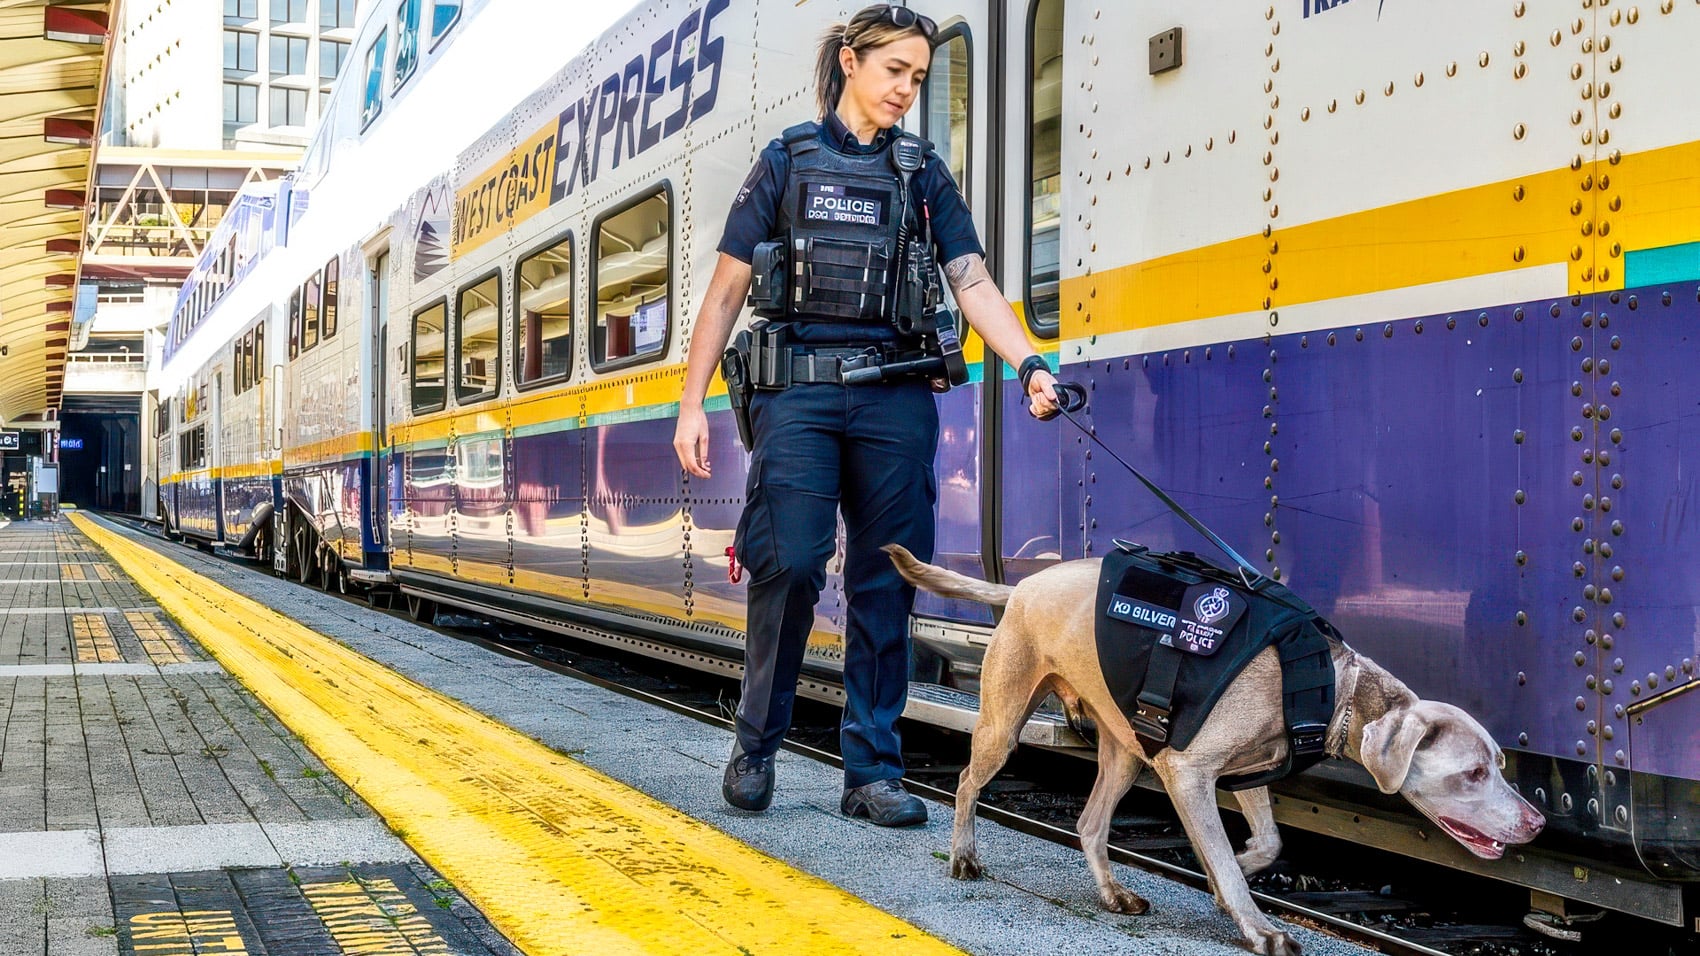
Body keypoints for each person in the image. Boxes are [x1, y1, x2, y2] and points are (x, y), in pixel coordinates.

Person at [673, 3, 1060, 826]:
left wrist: (1028, 362)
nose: (907, 90)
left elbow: (973, 282)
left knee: (888, 577)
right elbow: (727, 291)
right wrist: (690, 403)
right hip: (799, 397)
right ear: (850, 62)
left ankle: (872, 771)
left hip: (895, 397)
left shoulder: (923, 173)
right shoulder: (787, 160)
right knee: (792, 565)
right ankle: (755, 744)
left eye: (919, 77)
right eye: (895, 72)